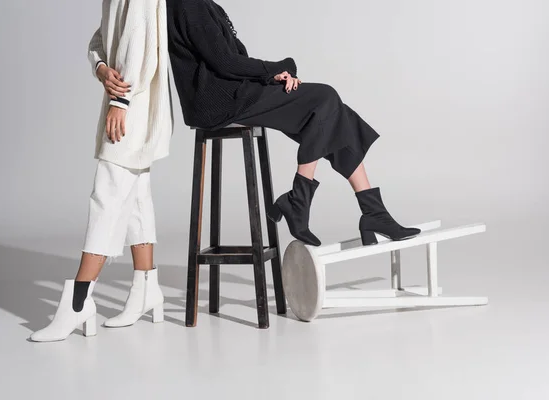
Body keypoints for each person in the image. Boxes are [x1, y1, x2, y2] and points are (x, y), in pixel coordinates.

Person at [166, 0, 420, 247]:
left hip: (232, 94)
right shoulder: (190, 4)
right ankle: (308, 201)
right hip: (219, 102)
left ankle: (369, 212)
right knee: (325, 98)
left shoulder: (203, 4)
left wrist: (272, 75)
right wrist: (276, 68)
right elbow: (224, 62)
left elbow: (229, 61)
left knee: (335, 114)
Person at [30, 0, 173, 342]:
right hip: (130, 100)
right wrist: (101, 68)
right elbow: (101, 39)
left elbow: (141, 45)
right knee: (136, 194)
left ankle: (78, 303)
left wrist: (119, 102)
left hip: (133, 104)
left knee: (108, 194)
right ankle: (146, 288)